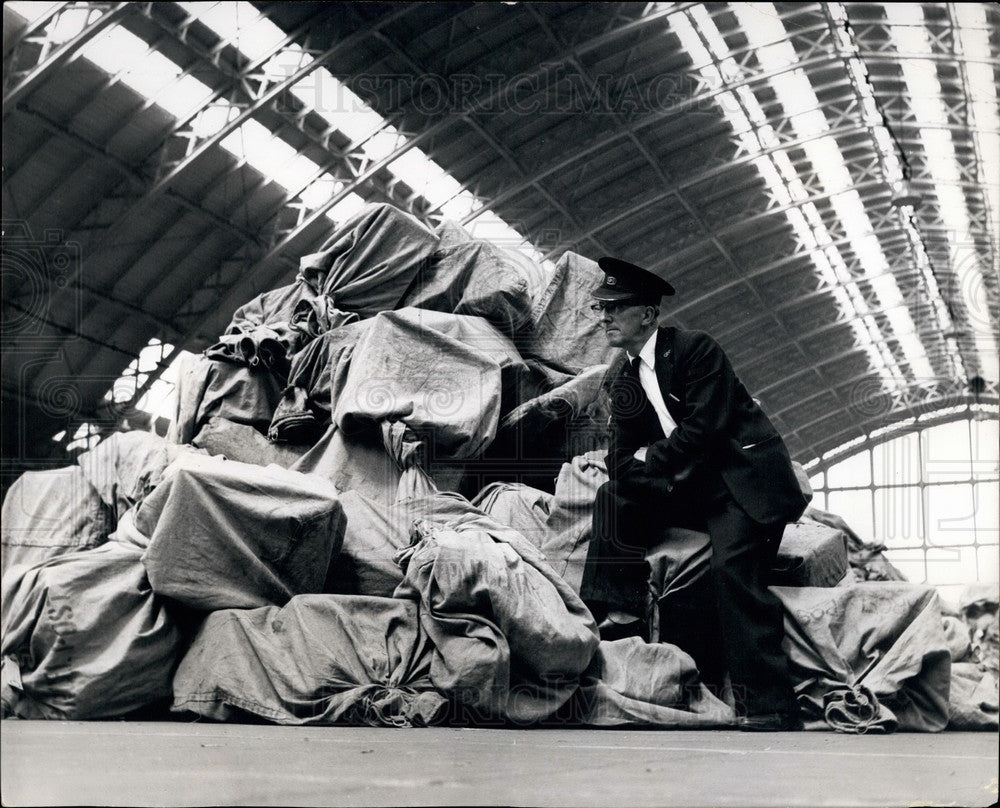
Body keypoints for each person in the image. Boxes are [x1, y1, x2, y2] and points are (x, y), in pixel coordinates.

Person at [580, 256, 810, 731]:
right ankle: (618, 618)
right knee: (611, 496)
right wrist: (644, 465)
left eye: (615, 308)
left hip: (737, 486)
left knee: (733, 573)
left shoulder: (695, 350)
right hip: (687, 487)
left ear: (648, 314)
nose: (604, 317)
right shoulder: (622, 379)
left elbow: (703, 430)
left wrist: (648, 459)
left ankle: (771, 705)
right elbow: (619, 459)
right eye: (601, 308)